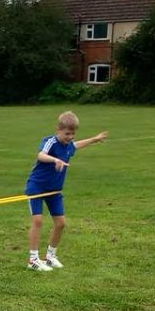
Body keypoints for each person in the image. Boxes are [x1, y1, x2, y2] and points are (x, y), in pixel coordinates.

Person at [25, 111, 107, 271]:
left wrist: (95, 140)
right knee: (38, 221)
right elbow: (41, 155)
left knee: (61, 223)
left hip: (55, 191)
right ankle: (33, 260)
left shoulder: (69, 145)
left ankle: (50, 256)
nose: (70, 137)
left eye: (73, 134)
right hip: (37, 187)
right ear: (58, 129)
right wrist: (55, 159)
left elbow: (76, 145)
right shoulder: (50, 142)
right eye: (67, 133)